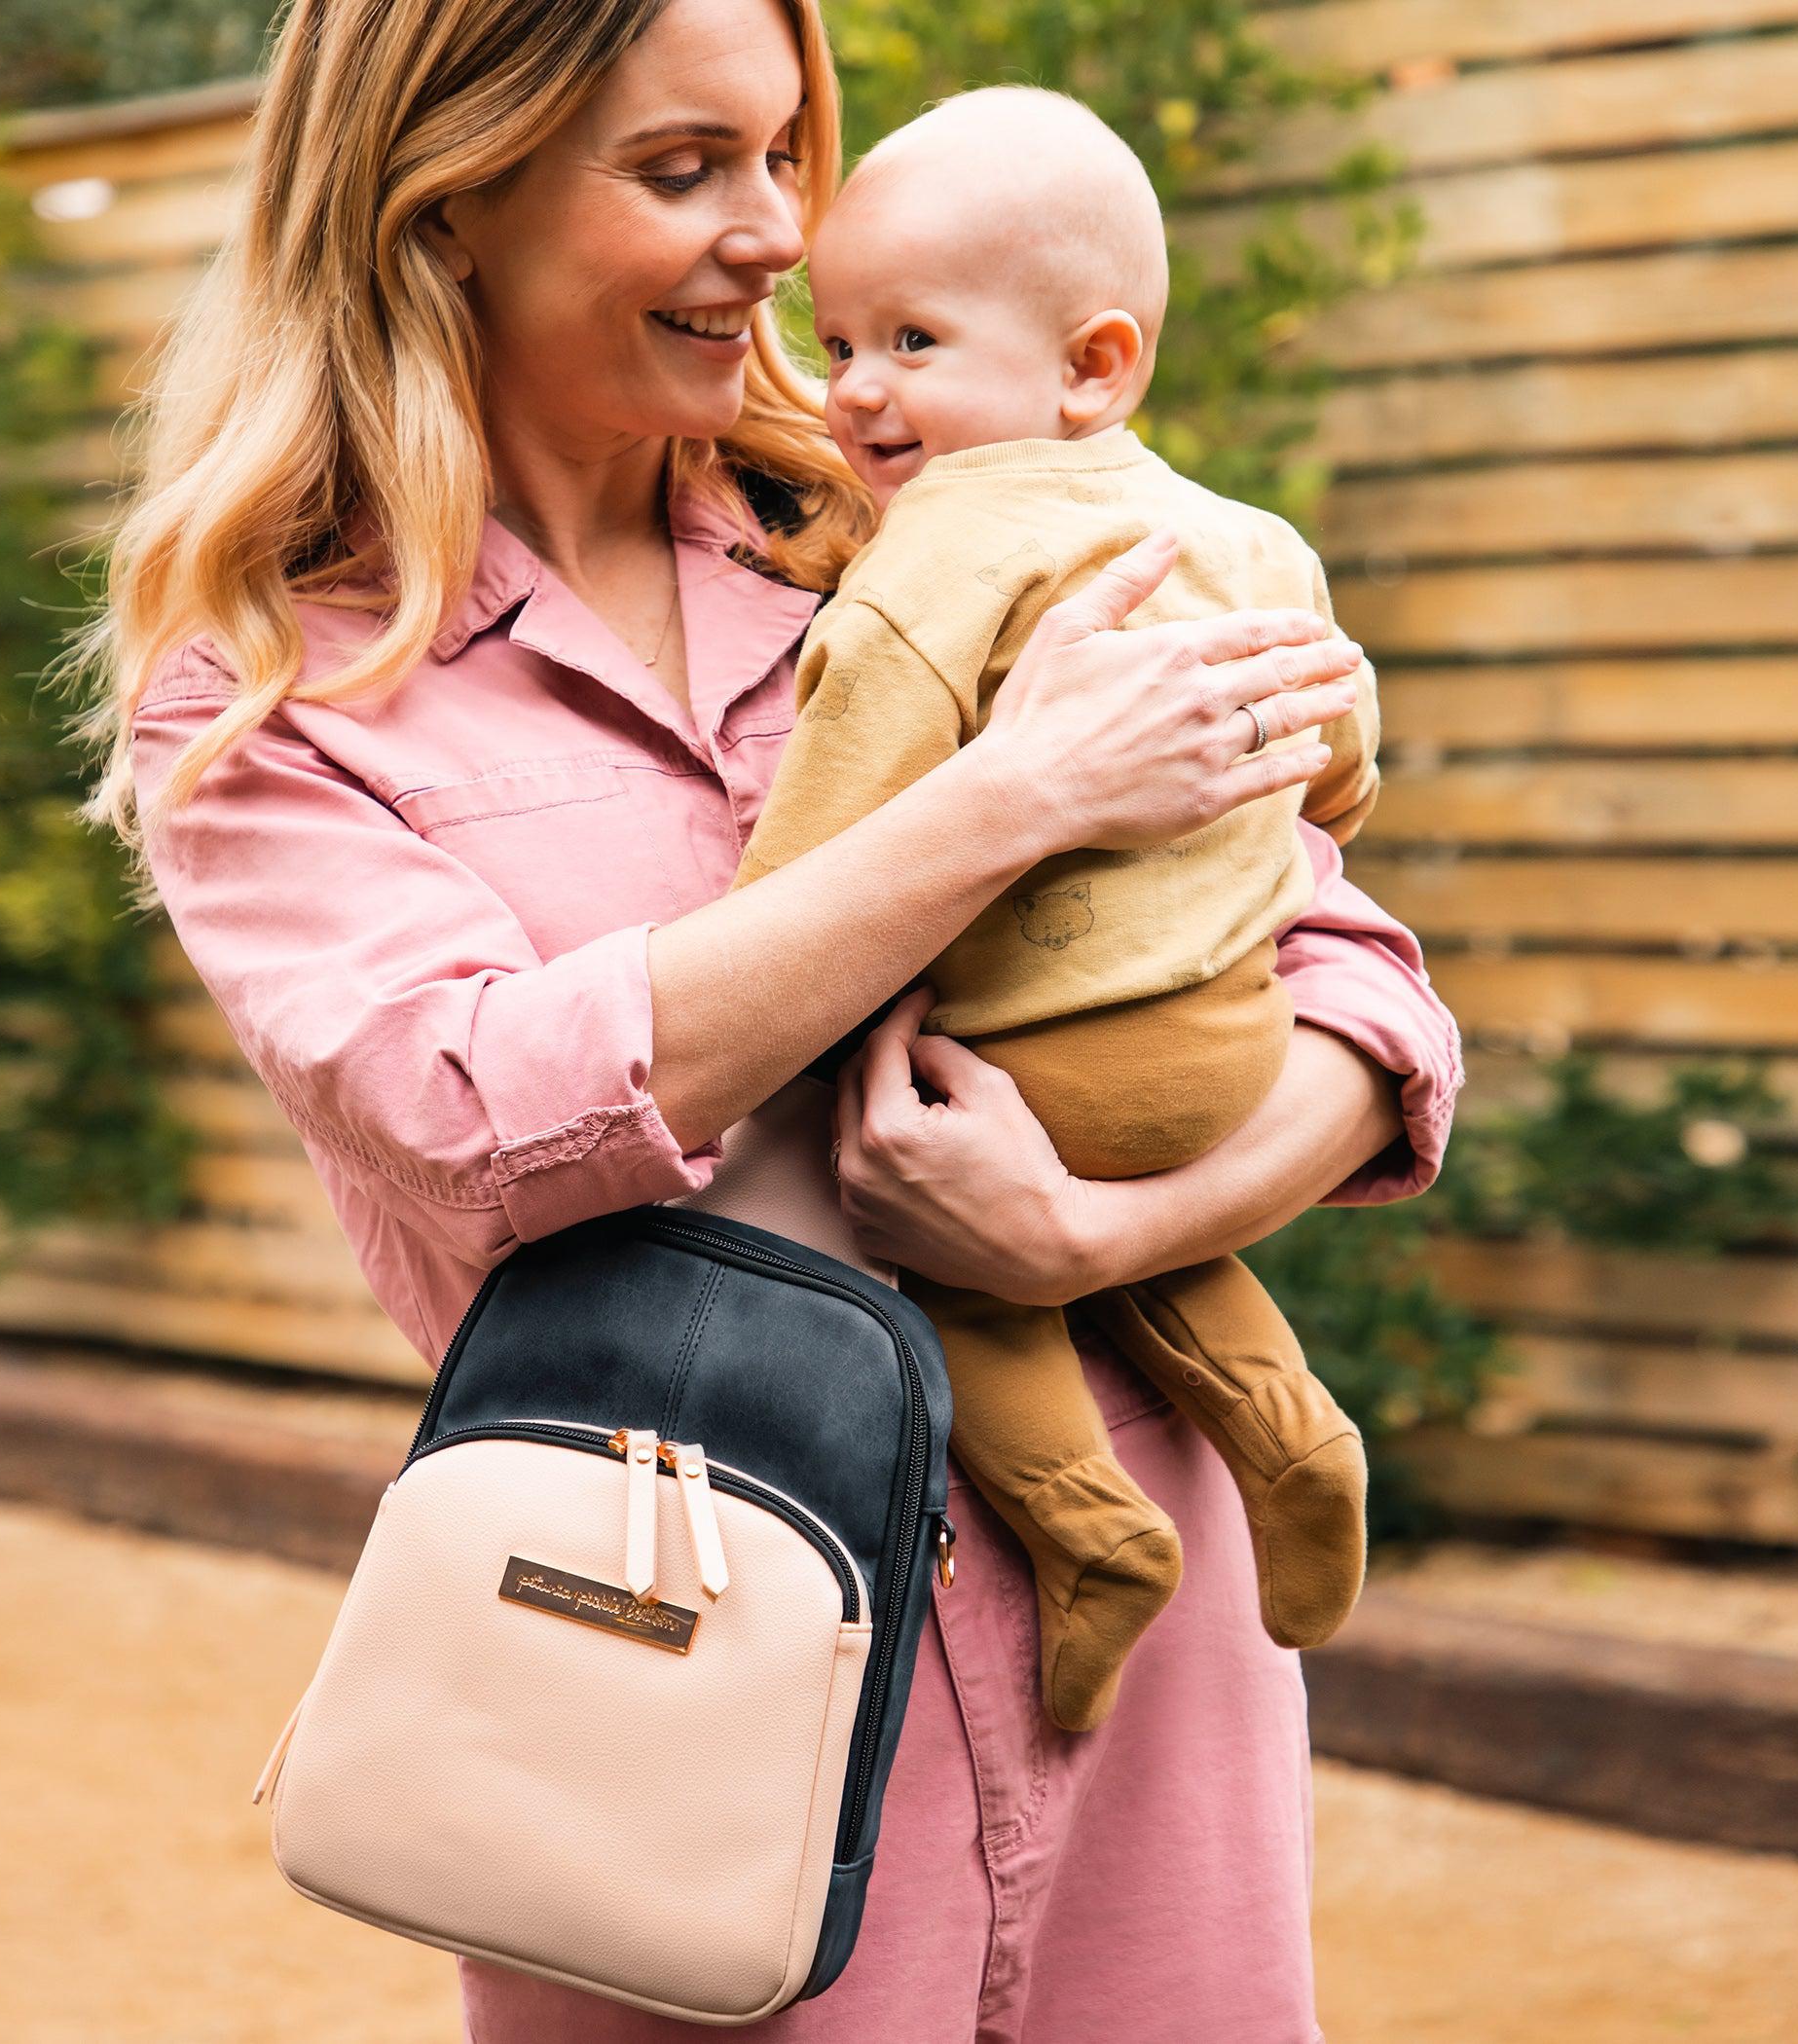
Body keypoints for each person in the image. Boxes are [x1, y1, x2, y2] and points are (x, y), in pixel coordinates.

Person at [74, 1, 1463, 2036]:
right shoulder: (284, 684)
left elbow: (1349, 972)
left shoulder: (929, 510)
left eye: (784, 152)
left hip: (1136, 1626)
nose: (775, 232)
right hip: (674, 1665)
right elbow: (468, 1102)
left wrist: (1102, 1237)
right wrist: (1010, 802)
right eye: (682, 169)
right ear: (449, 197)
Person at [732, 85, 1379, 1734]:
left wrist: (759, 956)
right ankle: (1295, 1434)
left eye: (914, 343)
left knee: (937, 1242)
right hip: (1231, 1041)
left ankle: (1094, 1536)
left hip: (1035, 1055)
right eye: (840, 337)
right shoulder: (1250, 541)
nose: (853, 389)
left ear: (1094, 364)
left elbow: (831, 833)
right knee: (1130, 1212)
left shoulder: (933, 561)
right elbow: (1338, 749)